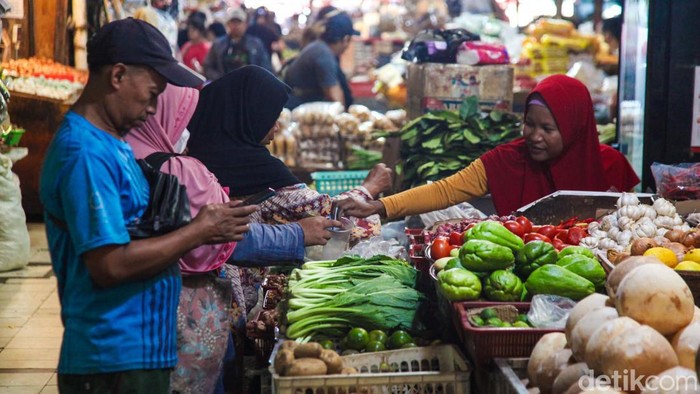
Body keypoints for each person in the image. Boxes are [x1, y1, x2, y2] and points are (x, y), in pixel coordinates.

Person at [38, 18, 258, 392]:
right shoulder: (85, 153)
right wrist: (199, 230)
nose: (155, 109)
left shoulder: (113, 143)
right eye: (152, 93)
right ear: (118, 75)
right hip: (112, 360)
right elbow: (109, 264)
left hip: (138, 354)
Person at [125, 84, 339, 393]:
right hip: (189, 312)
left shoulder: (122, 160)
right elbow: (228, 237)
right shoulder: (180, 170)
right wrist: (298, 234)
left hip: (139, 315)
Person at [187, 65, 392, 302]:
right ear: (250, 115)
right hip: (224, 299)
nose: (276, 126)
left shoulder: (201, 150)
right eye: (270, 117)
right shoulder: (255, 168)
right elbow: (326, 214)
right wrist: (369, 189)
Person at [337, 75, 640, 219]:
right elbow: (446, 190)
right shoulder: (507, 160)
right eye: (529, 124)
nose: (534, 136)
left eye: (548, 129)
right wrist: (381, 206)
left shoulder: (610, 164)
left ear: (575, 129)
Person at [283, 10, 359, 109]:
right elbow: (335, 99)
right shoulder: (323, 54)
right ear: (345, 39)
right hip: (300, 110)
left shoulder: (319, 47)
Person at [203, 7, 272, 81]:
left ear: (245, 24)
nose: (236, 25)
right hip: (224, 87)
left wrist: (255, 81)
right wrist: (220, 79)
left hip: (249, 87)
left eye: (239, 22)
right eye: (233, 22)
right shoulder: (218, 44)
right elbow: (207, 66)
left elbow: (265, 67)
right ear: (228, 24)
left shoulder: (256, 44)